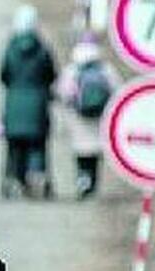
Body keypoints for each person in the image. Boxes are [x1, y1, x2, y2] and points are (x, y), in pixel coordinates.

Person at [0, 5, 57, 199]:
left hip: (14, 103)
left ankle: (14, 180)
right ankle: (38, 179)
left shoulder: (11, 48)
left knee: (15, 148)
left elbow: (3, 75)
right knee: (37, 145)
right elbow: (51, 74)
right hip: (38, 104)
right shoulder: (42, 49)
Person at [57, 37, 120, 198]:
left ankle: (83, 179)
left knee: (81, 153)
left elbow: (63, 93)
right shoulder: (105, 69)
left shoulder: (72, 70)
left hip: (78, 120)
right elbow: (118, 91)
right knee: (94, 153)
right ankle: (93, 182)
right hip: (99, 119)